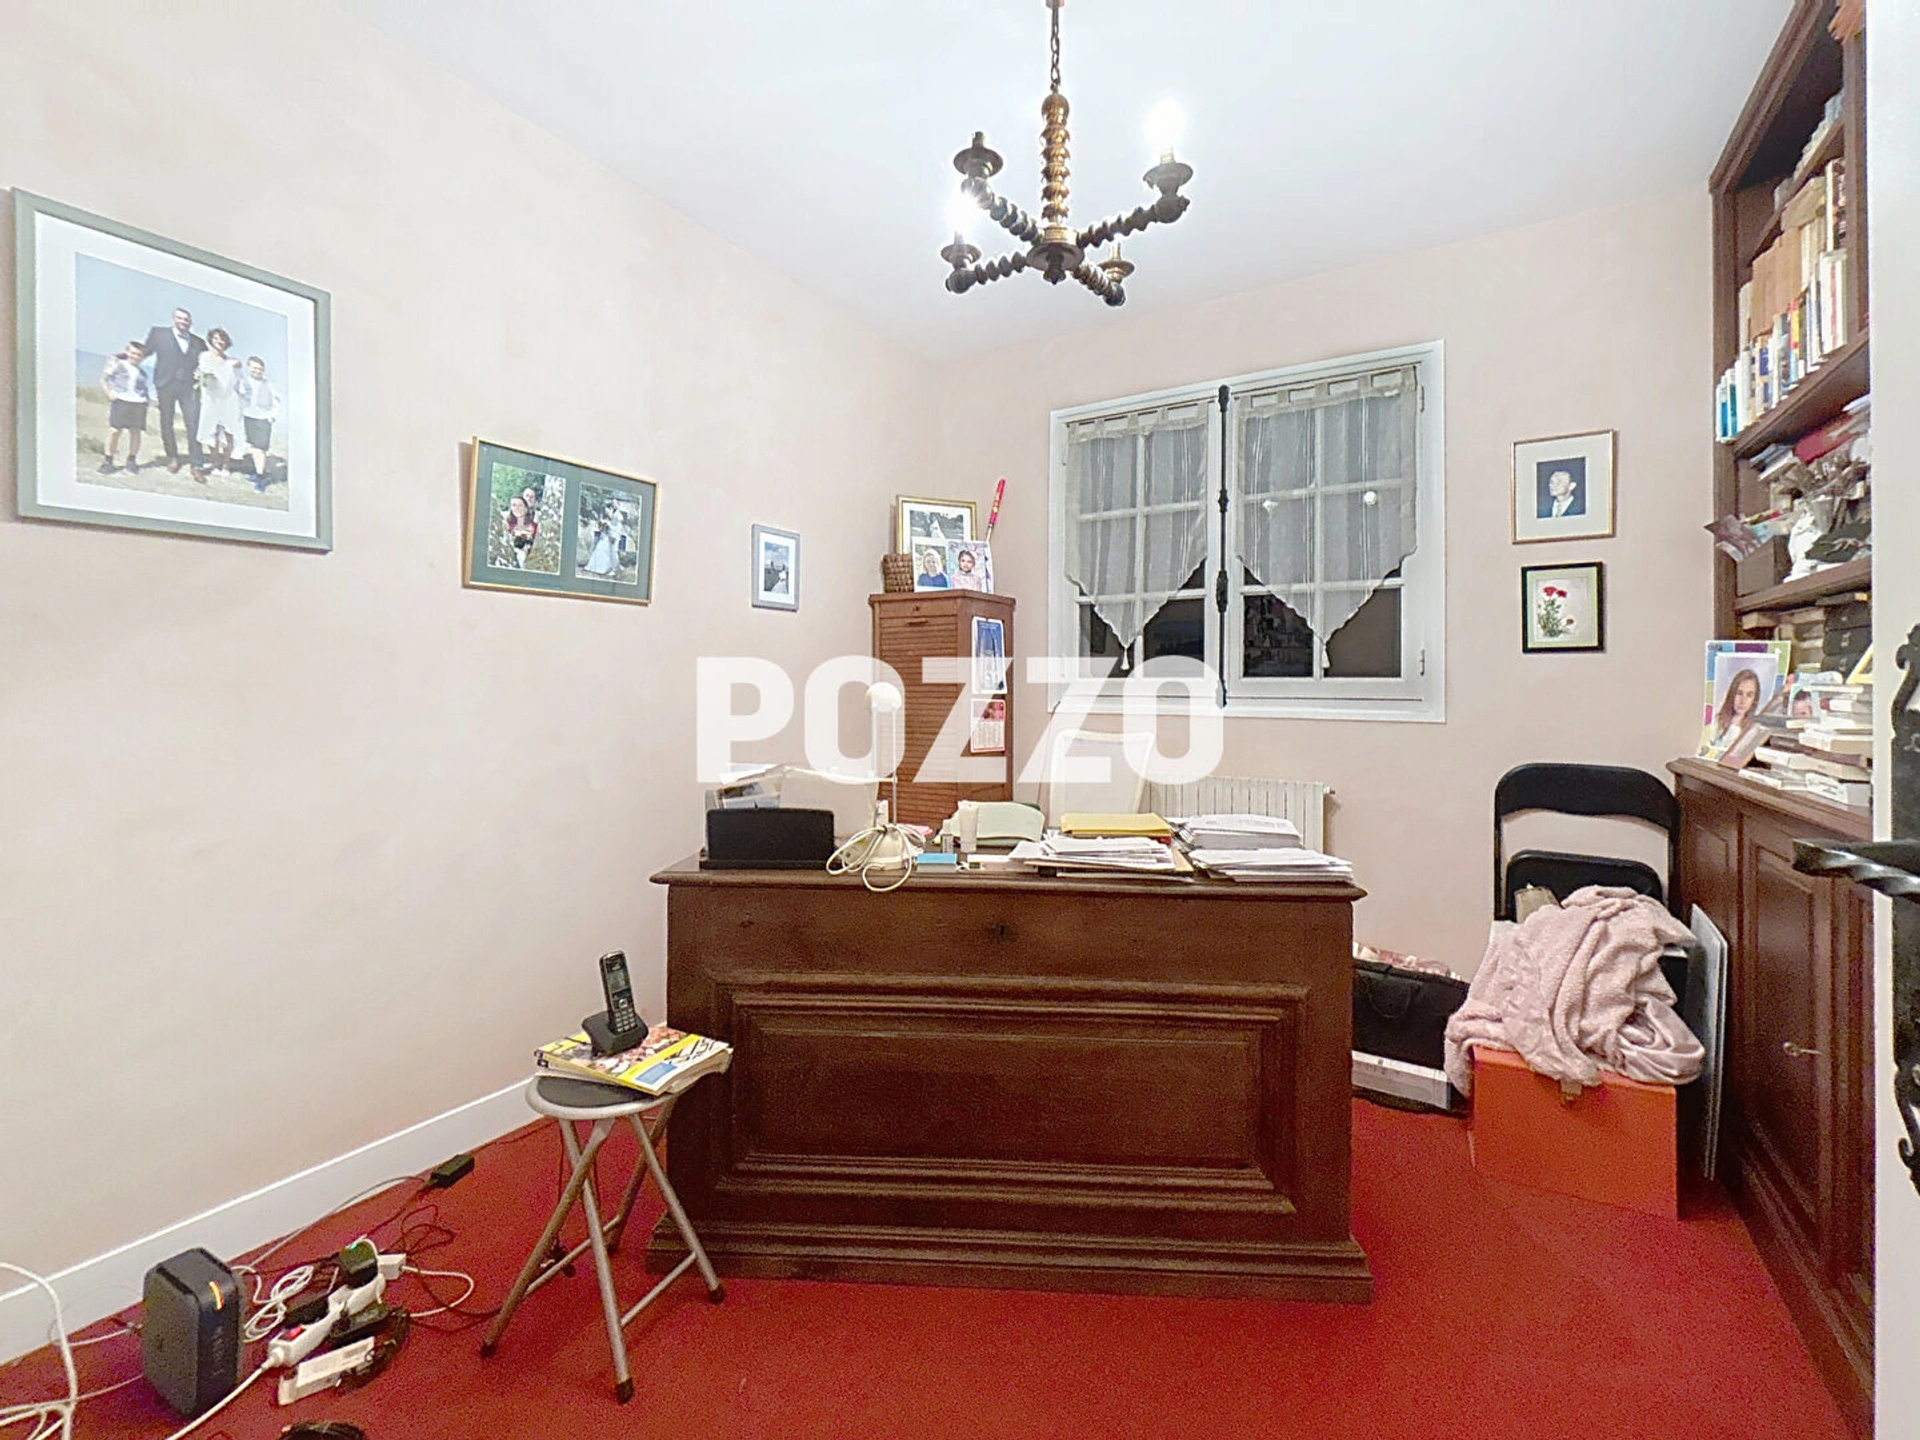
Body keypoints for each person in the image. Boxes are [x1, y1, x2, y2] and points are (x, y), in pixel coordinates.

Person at [141, 307, 207, 476]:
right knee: (166, 422)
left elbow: (209, 362)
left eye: (186, 319)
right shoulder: (158, 334)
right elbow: (143, 352)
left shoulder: (199, 342)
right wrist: (122, 358)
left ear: (190, 322)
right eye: (180, 318)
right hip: (165, 385)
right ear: (174, 319)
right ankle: (172, 458)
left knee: (193, 425)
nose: (183, 322)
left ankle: (196, 464)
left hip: (190, 388)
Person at [194, 328, 244, 477]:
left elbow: (239, 382)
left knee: (229, 433)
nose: (219, 341)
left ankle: (227, 465)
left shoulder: (232, 362)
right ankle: (215, 463)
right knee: (212, 432)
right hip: (211, 400)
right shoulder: (204, 357)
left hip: (229, 401)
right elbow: (203, 375)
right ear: (211, 340)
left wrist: (236, 366)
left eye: (222, 339)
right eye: (216, 338)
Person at [98, 339, 151, 474]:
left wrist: (147, 400)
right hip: (121, 401)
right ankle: (108, 461)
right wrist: (109, 393)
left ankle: (131, 461)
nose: (135, 357)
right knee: (115, 431)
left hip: (138, 404)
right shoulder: (117, 364)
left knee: (135, 432)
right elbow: (104, 379)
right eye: (133, 353)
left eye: (139, 355)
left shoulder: (142, 373)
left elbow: (143, 389)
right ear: (127, 352)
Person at [236, 356, 282, 488]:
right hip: (249, 417)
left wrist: (273, 416)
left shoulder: (268, 384)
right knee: (253, 446)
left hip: (263, 419)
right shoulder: (243, 382)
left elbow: (277, 401)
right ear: (248, 367)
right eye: (254, 368)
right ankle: (257, 472)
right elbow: (238, 397)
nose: (257, 371)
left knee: (260, 448)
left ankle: (261, 477)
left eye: (260, 369)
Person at [1711, 668, 1764, 748]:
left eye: (1749, 695)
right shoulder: (1717, 721)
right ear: (1732, 694)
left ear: (1754, 699)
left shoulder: (1754, 729)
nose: (1743, 701)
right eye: (1739, 693)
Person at [584, 503, 619, 577]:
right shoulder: (603, 519)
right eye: (606, 510)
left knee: (607, 552)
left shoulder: (613, 519)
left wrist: (608, 527)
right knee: (600, 550)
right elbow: (600, 529)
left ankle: (606, 568)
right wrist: (603, 525)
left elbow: (613, 529)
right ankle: (597, 568)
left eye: (608, 510)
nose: (607, 511)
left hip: (608, 538)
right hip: (604, 537)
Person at [503, 494, 538, 568]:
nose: (517, 508)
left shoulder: (535, 527)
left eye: (520, 505)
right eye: (514, 505)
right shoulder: (506, 526)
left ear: (526, 508)